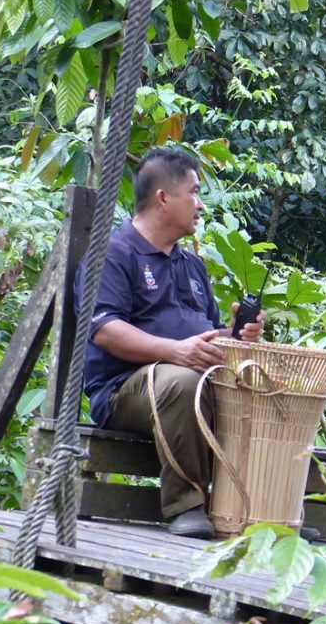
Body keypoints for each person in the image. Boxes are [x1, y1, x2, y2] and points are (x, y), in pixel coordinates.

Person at [74, 146, 265, 539]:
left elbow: (206, 335)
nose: (200, 205)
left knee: (269, 385)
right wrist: (176, 352)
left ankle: (264, 508)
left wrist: (236, 335)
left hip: (193, 376)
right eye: (194, 193)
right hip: (125, 389)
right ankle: (187, 504)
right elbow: (105, 329)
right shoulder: (113, 252)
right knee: (183, 383)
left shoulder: (190, 264)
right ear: (163, 197)